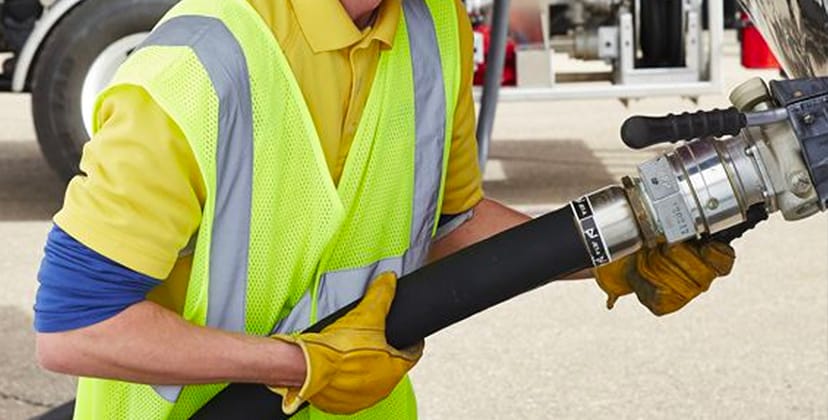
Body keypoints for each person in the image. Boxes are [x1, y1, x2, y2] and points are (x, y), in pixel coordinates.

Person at [32, 0, 738, 418]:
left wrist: (622, 243)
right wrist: (297, 365)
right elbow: (77, 329)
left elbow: (451, 223)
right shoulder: (197, 69)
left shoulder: (432, 24)